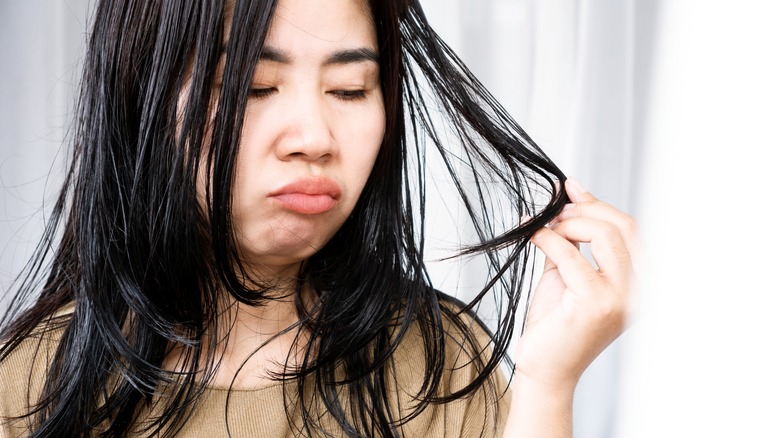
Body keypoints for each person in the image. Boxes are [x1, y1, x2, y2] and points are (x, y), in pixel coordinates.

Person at [0, 0, 636, 437]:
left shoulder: (441, 366)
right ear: (144, 97)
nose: (314, 136)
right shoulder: (30, 383)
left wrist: (550, 383)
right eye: (252, 86)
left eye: (351, 90)